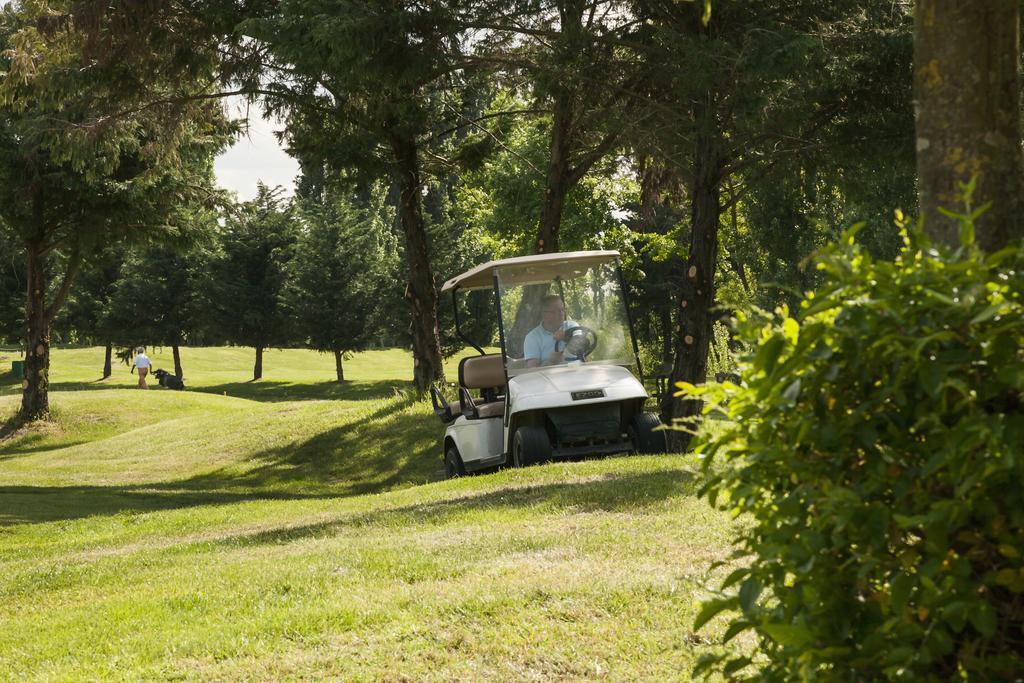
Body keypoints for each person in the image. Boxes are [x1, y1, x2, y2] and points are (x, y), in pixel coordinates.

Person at [524, 294, 577, 368]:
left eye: (562, 310)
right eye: (555, 311)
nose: (561, 314)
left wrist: (566, 337)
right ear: (544, 314)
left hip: (578, 371)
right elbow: (533, 370)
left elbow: (582, 343)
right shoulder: (533, 337)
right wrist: (551, 362)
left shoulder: (572, 326)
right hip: (552, 378)